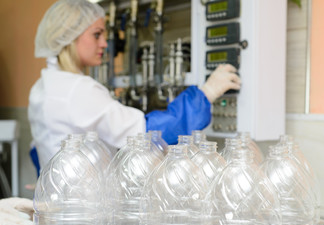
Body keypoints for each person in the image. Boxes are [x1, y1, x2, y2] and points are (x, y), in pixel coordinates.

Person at [28, 0, 241, 169]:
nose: (104, 43)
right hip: (86, 211)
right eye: (96, 34)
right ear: (70, 37)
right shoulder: (78, 89)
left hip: (64, 206)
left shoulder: (42, 86)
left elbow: (36, 151)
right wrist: (206, 93)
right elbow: (147, 134)